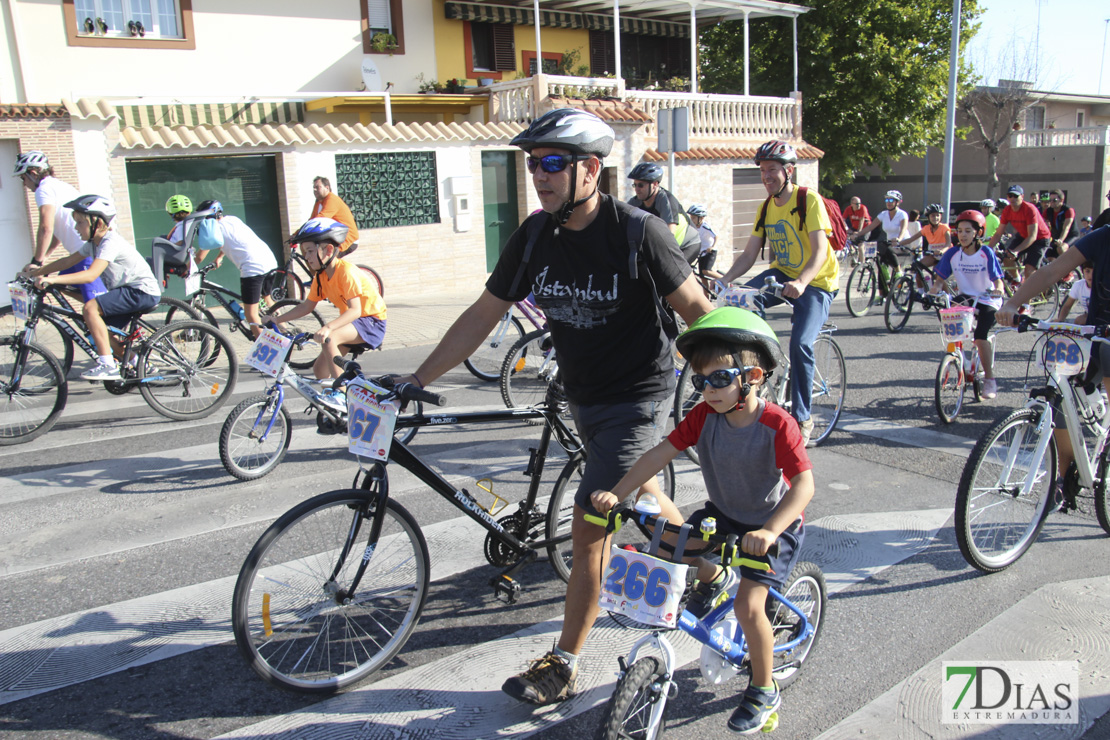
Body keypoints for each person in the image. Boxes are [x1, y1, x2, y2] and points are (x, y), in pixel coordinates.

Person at [396, 108, 712, 706]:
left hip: (637, 398)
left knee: (591, 522)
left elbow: (697, 308)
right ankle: (708, 566)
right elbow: (484, 313)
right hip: (583, 397)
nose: (537, 175)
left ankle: (564, 663)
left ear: (590, 169)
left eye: (550, 163)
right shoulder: (536, 235)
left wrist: (732, 382)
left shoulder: (638, 232)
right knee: (640, 497)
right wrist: (415, 375)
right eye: (530, 163)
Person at [590, 306, 812, 734]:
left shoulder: (776, 424)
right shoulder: (704, 416)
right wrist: (616, 493)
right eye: (700, 381)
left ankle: (764, 690)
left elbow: (803, 486)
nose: (708, 390)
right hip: (725, 514)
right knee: (674, 545)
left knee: (750, 609)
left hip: (771, 526)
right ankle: (713, 579)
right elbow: (659, 455)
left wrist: (768, 531)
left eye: (720, 379)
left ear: (754, 378)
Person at [715, 140, 838, 447]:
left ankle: (803, 417)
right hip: (782, 274)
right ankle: (763, 360)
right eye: (763, 171)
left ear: (788, 171)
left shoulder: (808, 200)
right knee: (743, 303)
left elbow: (821, 250)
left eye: (772, 170)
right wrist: (726, 280)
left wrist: (803, 282)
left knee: (801, 343)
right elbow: (749, 254)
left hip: (817, 282)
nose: (766, 176)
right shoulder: (766, 207)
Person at [997, 225, 1110, 506]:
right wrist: (1013, 304)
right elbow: (1051, 271)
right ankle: (1065, 476)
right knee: (1058, 393)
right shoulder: (1104, 236)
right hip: (1095, 336)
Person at [21, 195, 161, 380]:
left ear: (96, 222)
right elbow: (68, 260)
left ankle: (108, 365)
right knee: (100, 329)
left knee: (90, 308)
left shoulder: (110, 242)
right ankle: (140, 364)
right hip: (126, 291)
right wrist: (37, 271)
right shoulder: (93, 244)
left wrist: (54, 280)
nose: (76, 228)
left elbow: (91, 274)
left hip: (141, 291)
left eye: (80, 223)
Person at [271, 217, 386, 389]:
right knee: (320, 370)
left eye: (309, 251)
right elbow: (307, 306)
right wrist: (276, 320)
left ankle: (341, 395)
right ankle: (336, 411)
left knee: (329, 338)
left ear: (328, 249)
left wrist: (328, 327)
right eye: (304, 252)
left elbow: (355, 310)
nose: (306, 257)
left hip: (371, 321)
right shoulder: (321, 277)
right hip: (353, 323)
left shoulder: (346, 271)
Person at [929, 210, 1005, 399]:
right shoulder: (953, 253)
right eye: (960, 231)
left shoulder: (986, 252)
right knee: (948, 318)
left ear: (978, 233)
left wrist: (999, 289)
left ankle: (989, 379)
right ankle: (961, 358)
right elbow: (939, 280)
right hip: (966, 297)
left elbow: (998, 281)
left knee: (980, 336)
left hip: (987, 298)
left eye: (968, 231)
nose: (962, 235)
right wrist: (934, 290)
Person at [14, 150, 107, 303]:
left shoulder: (43, 189)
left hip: (85, 252)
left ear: (32, 173)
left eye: (23, 178)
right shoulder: (58, 185)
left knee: (96, 305)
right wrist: (44, 259)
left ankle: (106, 322)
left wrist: (36, 262)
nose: (24, 184)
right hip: (79, 253)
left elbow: (46, 227)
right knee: (60, 284)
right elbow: (58, 232)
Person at [193, 199, 278, 338]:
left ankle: (267, 348)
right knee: (267, 300)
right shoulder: (232, 219)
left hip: (253, 267)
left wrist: (186, 266)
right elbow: (232, 240)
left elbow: (199, 257)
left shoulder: (214, 230)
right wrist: (220, 256)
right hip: (269, 260)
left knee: (251, 314)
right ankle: (286, 330)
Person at [626, 162, 703, 266]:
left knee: (671, 274)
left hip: (687, 245)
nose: (637, 189)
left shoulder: (667, 200)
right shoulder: (635, 202)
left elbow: (669, 234)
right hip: (666, 247)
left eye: (641, 185)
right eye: (635, 185)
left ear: (655, 184)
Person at [988, 185, 1051, 281]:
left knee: (1029, 270)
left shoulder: (1029, 209)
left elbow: (1032, 236)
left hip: (1040, 239)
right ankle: (1018, 280)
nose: (1012, 198)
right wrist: (987, 250)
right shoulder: (1007, 210)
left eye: (1015, 196)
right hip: (1023, 236)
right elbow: (998, 234)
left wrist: (1016, 251)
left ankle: (1028, 294)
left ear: (1022, 196)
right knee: (1007, 258)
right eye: (1010, 196)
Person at [852, 189, 907, 293]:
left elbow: (903, 229)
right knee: (880, 264)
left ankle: (898, 270)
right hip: (889, 244)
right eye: (887, 200)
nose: (889, 202)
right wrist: (858, 234)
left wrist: (899, 239)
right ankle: (882, 293)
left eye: (891, 200)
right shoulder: (883, 214)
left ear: (897, 202)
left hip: (902, 243)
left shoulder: (902, 214)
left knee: (885, 247)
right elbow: (870, 227)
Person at [308, 176, 359, 254]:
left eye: (318, 187)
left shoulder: (332, 200)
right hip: (335, 237)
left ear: (327, 188)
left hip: (347, 238)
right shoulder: (318, 202)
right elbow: (312, 220)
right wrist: (296, 234)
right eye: (314, 187)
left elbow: (321, 218)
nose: (314, 190)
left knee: (325, 258)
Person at [901, 204, 951, 275]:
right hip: (933, 255)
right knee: (917, 267)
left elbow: (948, 244)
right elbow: (911, 239)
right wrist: (898, 243)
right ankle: (920, 286)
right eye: (933, 215)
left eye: (938, 215)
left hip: (945, 255)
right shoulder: (926, 229)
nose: (935, 218)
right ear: (928, 217)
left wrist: (941, 251)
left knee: (938, 276)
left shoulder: (944, 228)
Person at [1044, 189, 1078, 256]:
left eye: (1054, 200)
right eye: (1050, 200)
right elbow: (1042, 224)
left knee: (1060, 248)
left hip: (1070, 236)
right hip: (1056, 236)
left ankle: (1068, 265)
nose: (1051, 202)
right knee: (1049, 252)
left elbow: (1066, 228)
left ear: (1061, 200)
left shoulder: (1068, 210)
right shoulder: (1048, 211)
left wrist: (1061, 240)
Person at [686, 203, 718, 274]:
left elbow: (716, 236)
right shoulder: (693, 227)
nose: (692, 219)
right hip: (702, 252)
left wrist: (712, 247)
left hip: (710, 252)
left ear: (701, 218)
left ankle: (726, 280)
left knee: (706, 271)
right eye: (691, 217)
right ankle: (705, 286)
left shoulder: (705, 227)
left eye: (693, 218)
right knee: (702, 275)